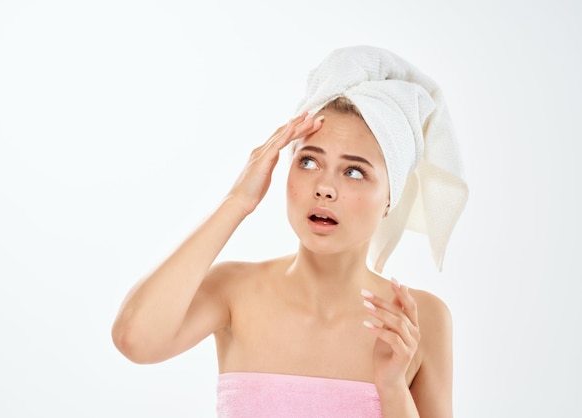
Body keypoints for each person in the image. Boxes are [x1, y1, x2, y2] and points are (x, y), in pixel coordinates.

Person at [111, 45, 468, 418]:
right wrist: (237, 201)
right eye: (309, 161)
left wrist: (393, 388)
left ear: (391, 197)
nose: (325, 187)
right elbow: (133, 338)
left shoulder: (418, 321)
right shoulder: (235, 291)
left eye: (354, 171)